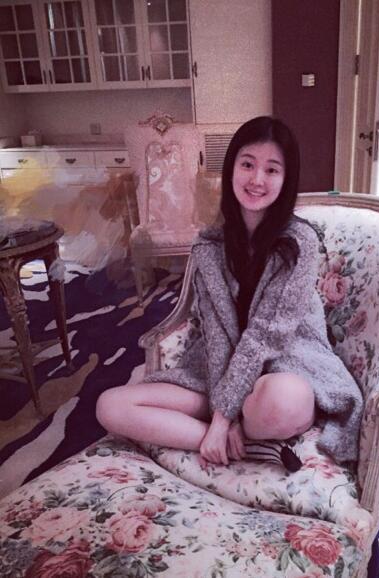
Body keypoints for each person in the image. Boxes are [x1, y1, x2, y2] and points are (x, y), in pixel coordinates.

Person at [96, 116, 363, 468]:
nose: (257, 179)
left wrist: (223, 416)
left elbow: (267, 336)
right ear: (231, 168)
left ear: (286, 179)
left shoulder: (299, 243)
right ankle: (238, 445)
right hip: (220, 374)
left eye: (272, 170)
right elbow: (217, 334)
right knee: (110, 406)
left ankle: (222, 431)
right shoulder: (209, 246)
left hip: (285, 367)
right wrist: (226, 417)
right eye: (247, 164)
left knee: (283, 398)